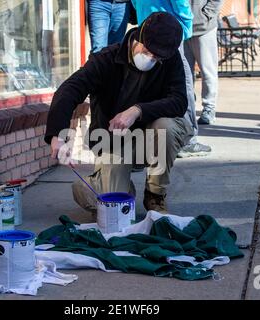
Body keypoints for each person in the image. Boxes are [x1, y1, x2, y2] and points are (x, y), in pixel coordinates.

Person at [45, 12, 193, 213]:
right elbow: (69, 90)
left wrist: (137, 110)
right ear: (139, 37)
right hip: (113, 141)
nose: (151, 59)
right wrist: (57, 136)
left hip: (150, 136)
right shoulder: (105, 59)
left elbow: (179, 101)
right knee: (109, 203)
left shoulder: (170, 58)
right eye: (148, 52)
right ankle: (115, 189)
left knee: (165, 126)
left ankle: (155, 195)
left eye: (157, 57)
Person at [131, 0, 212, 157]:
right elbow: (181, 4)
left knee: (152, 84)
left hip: (146, 27)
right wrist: (187, 27)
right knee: (183, 85)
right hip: (169, 30)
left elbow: (134, 3)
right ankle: (188, 141)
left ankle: (157, 142)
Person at [184, 0, 224, 125]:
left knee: (208, 71)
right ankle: (187, 107)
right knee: (185, 73)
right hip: (183, 26)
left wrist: (205, 15)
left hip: (204, 28)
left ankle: (209, 108)